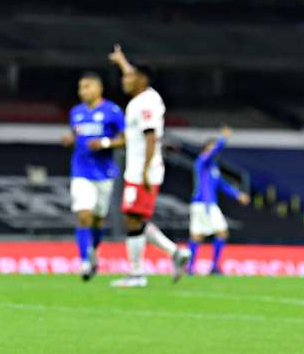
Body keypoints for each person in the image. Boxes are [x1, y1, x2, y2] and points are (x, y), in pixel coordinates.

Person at [108, 45, 191, 288]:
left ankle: (137, 274)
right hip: (138, 169)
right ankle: (175, 253)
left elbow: (152, 136)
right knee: (136, 218)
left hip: (143, 170)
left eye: (129, 77)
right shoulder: (142, 97)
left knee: (132, 219)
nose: (124, 81)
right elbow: (133, 75)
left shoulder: (147, 103)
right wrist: (122, 61)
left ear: (141, 80)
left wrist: (145, 170)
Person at [60, 72, 124, 281]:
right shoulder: (76, 112)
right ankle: (85, 262)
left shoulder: (112, 111)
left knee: (97, 220)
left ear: (99, 88)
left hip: (104, 174)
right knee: (83, 214)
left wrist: (105, 143)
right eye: (80, 87)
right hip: (81, 172)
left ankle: (93, 253)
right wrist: (71, 138)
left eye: (87, 87)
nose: (82, 91)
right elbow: (77, 133)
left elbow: (125, 138)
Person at [187, 126, 250, 275]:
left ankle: (196, 267)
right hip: (203, 203)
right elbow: (212, 153)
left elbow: (223, 185)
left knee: (200, 235)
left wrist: (237, 194)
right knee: (217, 232)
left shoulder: (213, 168)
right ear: (205, 149)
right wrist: (223, 139)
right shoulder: (201, 162)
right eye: (211, 147)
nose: (214, 149)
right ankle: (205, 267)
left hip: (205, 204)